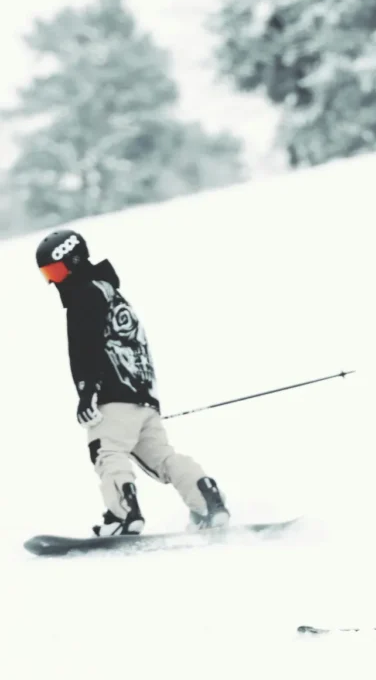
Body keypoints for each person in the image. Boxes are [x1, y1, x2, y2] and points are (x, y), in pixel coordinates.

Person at [35, 229, 230, 537]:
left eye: (55, 270)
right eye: (47, 274)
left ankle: (123, 514)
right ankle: (206, 499)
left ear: (73, 261)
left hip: (111, 398)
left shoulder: (83, 295)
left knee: (106, 451)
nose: (53, 280)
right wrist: (145, 397)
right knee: (162, 458)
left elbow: (86, 347)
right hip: (143, 399)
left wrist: (88, 392)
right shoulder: (111, 293)